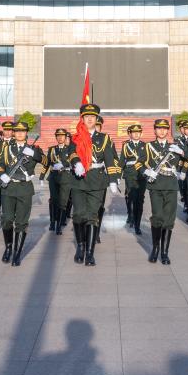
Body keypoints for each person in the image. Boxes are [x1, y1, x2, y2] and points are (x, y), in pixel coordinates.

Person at [69, 103, 120, 266]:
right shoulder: (75, 137)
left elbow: (110, 159)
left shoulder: (104, 138)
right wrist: (76, 162)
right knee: (78, 215)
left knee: (92, 216)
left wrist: (113, 180)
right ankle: (80, 247)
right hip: (79, 180)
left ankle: (90, 253)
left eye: (92, 117)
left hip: (97, 180)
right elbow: (70, 153)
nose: (90, 119)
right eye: (87, 117)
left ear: (96, 118)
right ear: (82, 119)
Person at [144, 118, 188, 265]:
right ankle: (155, 249)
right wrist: (146, 171)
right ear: (155, 130)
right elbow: (139, 163)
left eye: (164, 128)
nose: (162, 131)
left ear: (167, 130)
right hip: (156, 186)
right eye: (159, 128)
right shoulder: (148, 146)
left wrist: (182, 153)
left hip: (171, 185)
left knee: (169, 219)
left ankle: (164, 252)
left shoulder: (175, 147)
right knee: (157, 217)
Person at [0, 121, 45, 266]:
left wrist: (34, 154)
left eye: (22, 131)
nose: (19, 134)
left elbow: (46, 161)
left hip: (24, 188)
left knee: (21, 222)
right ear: (14, 133)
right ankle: (8, 247)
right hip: (9, 187)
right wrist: (1, 174)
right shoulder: (7, 148)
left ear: (26, 133)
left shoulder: (34, 149)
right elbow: (1, 164)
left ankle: (17, 253)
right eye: (17, 131)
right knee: (7, 219)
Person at [46, 128, 75, 235]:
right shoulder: (52, 149)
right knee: (53, 201)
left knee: (63, 202)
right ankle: (52, 222)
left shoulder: (71, 149)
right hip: (54, 177)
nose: (60, 137)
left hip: (66, 177)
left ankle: (59, 225)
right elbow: (47, 162)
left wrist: (64, 165)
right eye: (58, 136)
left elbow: (74, 161)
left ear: (65, 137)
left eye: (62, 136)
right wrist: (42, 176)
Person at [121, 123, 147, 235]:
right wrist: (117, 176)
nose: (136, 134)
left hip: (141, 175)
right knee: (131, 197)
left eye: (138, 132)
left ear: (141, 133)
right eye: (134, 132)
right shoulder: (126, 145)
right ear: (130, 134)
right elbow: (122, 161)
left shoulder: (145, 145)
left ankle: (137, 224)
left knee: (140, 199)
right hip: (130, 173)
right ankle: (130, 214)